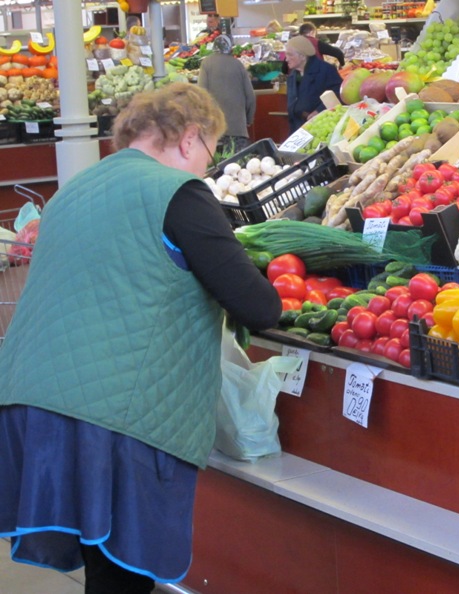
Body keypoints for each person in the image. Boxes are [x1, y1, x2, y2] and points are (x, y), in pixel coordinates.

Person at [0, 83, 282, 594]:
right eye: (211, 151)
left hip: (30, 398)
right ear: (189, 138)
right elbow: (258, 306)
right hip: (114, 413)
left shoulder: (73, 191)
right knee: (123, 576)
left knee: (101, 566)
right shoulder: (177, 192)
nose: (206, 167)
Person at [198, 35, 256, 155]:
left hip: (214, 128)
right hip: (237, 128)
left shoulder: (206, 63)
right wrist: (249, 119)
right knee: (237, 167)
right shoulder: (238, 65)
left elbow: (201, 94)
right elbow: (250, 96)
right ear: (230, 48)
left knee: (216, 169)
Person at [285, 35, 342, 133]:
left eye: (290, 55)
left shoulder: (325, 70)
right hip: (297, 129)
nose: (286, 59)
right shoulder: (293, 75)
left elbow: (339, 93)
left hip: (321, 128)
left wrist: (319, 111)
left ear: (302, 56)